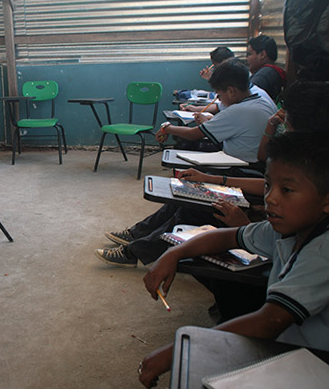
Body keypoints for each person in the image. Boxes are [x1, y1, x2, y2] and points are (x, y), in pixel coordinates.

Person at [137, 132, 329, 388]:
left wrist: (179, 350)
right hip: (292, 349)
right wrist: (173, 254)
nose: (270, 198)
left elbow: (271, 321)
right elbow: (227, 237)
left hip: (316, 364)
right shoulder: (286, 229)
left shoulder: (322, 251)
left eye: (287, 190)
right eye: (268, 185)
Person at [97, 80, 327, 270]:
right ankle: (136, 235)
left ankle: (133, 249)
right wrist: (270, 125)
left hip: (244, 172)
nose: (281, 118)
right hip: (247, 177)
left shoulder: (309, 160)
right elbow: (265, 163)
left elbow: (264, 176)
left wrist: (243, 220)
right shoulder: (295, 142)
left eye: (285, 117)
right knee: (190, 191)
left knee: (194, 206)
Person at [157, 58, 277, 163]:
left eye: (219, 95)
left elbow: (193, 134)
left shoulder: (238, 110)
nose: (218, 100)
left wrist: (166, 127)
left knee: (184, 145)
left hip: (239, 164)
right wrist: (212, 121)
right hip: (261, 161)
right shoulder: (261, 99)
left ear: (231, 91)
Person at [181, 46, 275, 122]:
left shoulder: (245, 103)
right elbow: (221, 106)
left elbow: (195, 134)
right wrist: (195, 108)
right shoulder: (246, 91)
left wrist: (167, 127)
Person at [246, 34, 286, 101]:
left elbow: (245, 99)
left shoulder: (264, 74)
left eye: (249, 54)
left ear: (262, 55)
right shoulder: (271, 72)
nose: (246, 58)